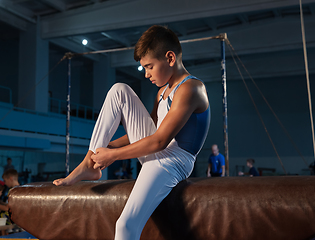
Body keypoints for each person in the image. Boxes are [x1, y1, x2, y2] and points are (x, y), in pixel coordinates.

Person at [53, 25, 210, 240]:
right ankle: (89, 164)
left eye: (149, 67)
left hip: (176, 160)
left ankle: (91, 164)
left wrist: (113, 156)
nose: (146, 74)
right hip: (157, 149)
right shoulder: (162, 91)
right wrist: (107, 148)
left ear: (170, 58)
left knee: (126, 226)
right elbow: (150, 133)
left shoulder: (191, 88)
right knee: (119, 90)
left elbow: (159, 141)